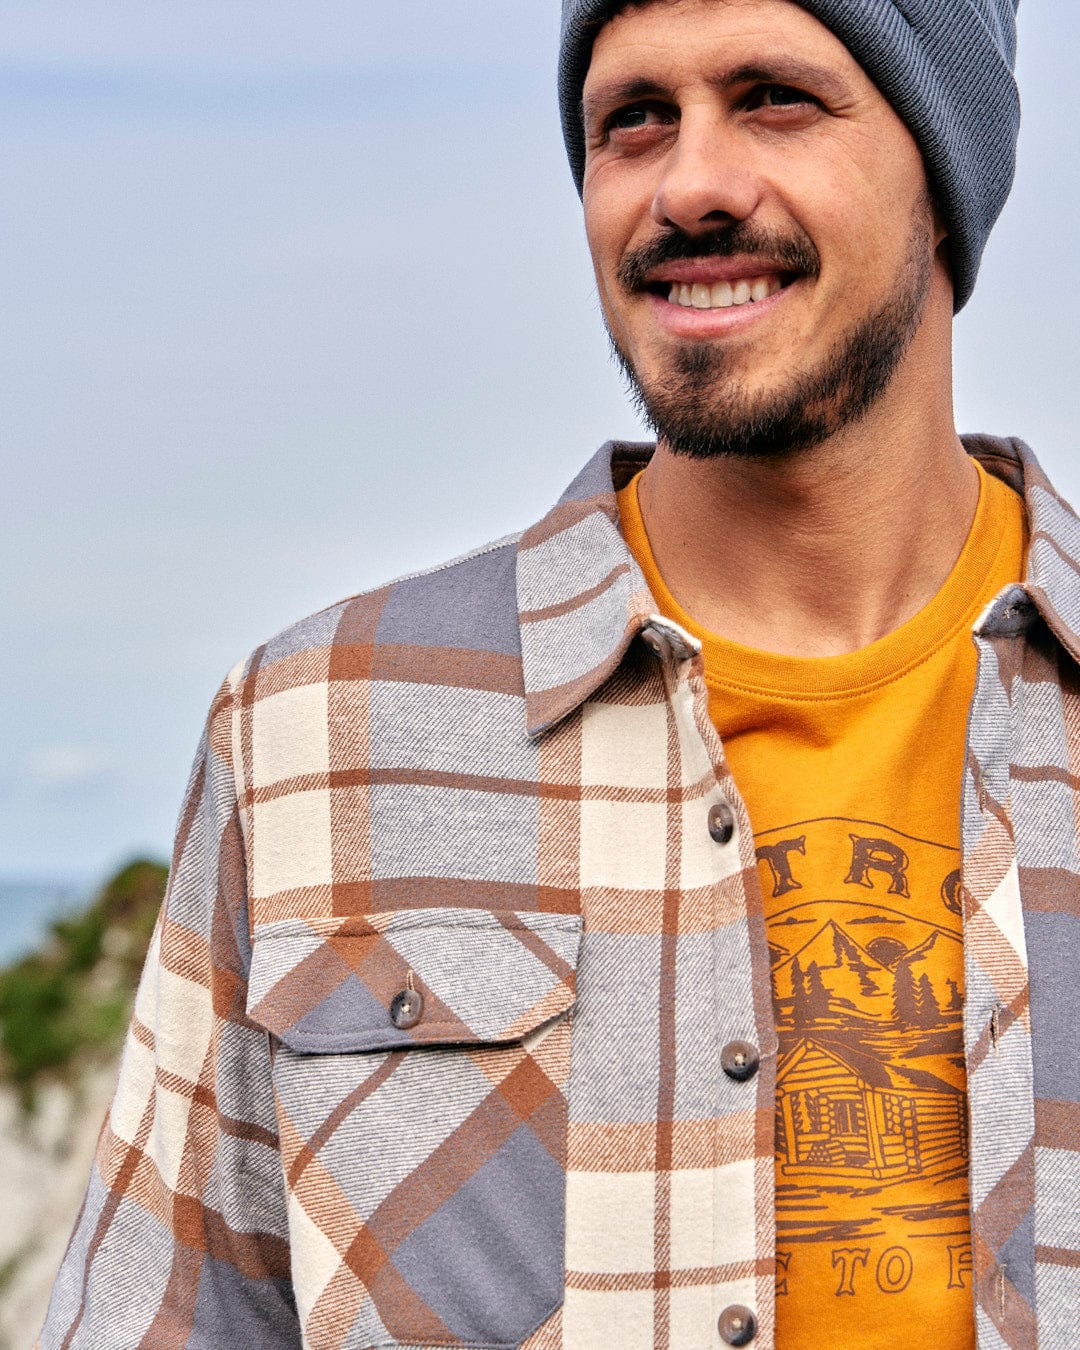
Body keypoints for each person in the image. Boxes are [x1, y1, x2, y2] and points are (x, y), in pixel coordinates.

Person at [38, 0, 1080, 1346]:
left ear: (947, 176)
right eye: (632, 119)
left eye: (774, 98)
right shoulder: (317, 734)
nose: (690, 184)